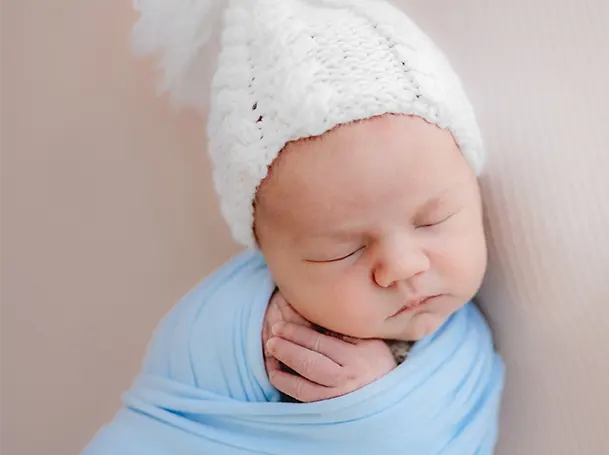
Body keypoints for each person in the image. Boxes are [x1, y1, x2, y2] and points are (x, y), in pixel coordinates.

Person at [81, 0, 504, 454]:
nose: (402, 265)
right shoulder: (260, 334)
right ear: (267, 258)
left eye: (432, 220)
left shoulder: (464, 347)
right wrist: (361, 409)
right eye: (344, 251)